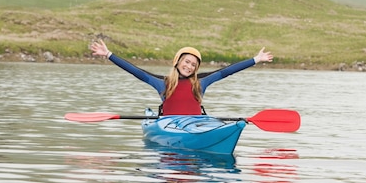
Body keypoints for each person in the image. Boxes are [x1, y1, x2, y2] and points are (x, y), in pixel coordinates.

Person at [90, 39, 273, 116]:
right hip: (169, 126)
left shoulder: (202, 82)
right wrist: (108, 55)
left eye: (193, 64)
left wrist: (256, 59)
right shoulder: (162, 83)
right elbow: (135, 70)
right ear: (177, 62)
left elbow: (228, 70)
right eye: (186, 61)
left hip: (196, 126)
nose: (189, 66)